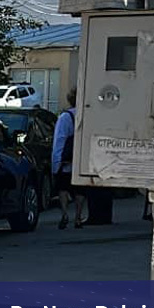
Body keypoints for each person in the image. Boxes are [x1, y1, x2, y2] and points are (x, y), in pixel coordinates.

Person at [52, 86, 86, 229]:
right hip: (82, 158)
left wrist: (56, 162)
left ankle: (65, 213)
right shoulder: (87, 115)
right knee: (80, 189)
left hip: (66, 159)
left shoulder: (65, 117)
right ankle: (78, 216)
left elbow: (59, 139)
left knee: (63, 188)